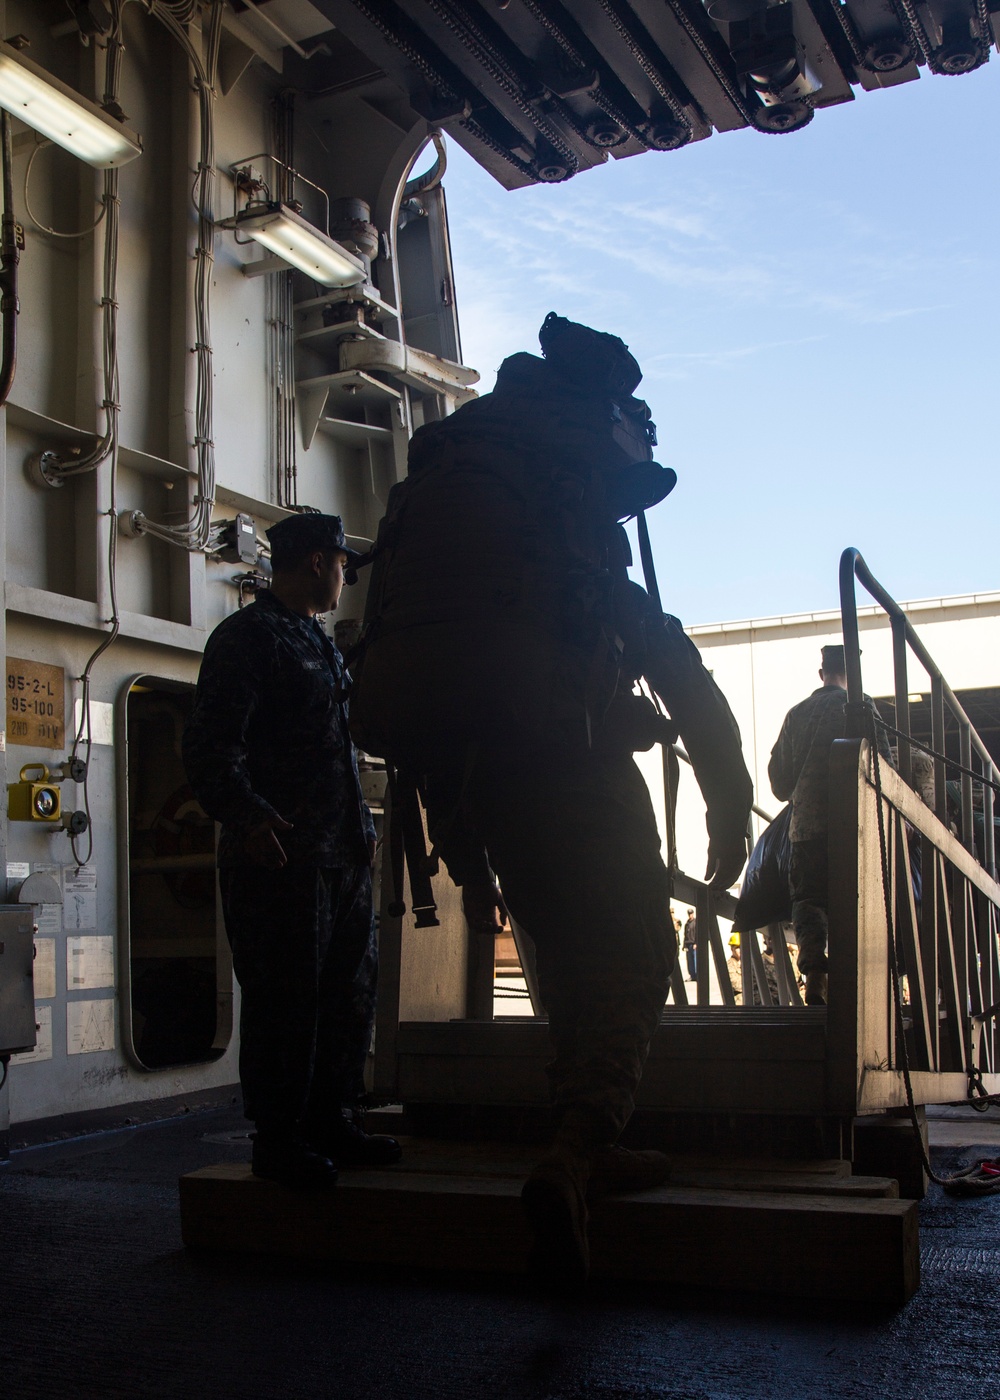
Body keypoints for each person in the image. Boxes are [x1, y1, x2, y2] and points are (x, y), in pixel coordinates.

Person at [351, 314, 753, 1280]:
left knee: (567, 954)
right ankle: (575, 1155)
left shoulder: (466, 497)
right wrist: (729, 802)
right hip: (568, 766)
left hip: (470, 781)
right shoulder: (562, 523)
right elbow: (672, 665)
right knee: (637, 948)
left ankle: (590, 1137)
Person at [182, 513, 402, 1188]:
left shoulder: (317, 641)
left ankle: (331, 1117)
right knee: (286, 1001)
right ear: (315, 562)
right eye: (342, 565)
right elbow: (210, 749)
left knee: (347, 993)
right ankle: (279, 1138)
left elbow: (337, 751)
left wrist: (362, 831)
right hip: (280, 858)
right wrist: (249, 818)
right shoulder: (248, 639)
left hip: (338, 855)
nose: (345, 578)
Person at [767, 643, 891, 1006]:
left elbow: (779, 784)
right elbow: (885, 768)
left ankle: (815, 976)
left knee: (809, 898)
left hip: (806, 827)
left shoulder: (797, 713)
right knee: (857, 901)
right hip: (856, 826)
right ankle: (857, 993)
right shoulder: (863, 707)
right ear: (852, 675)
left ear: (822, 674)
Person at [683, 908, 698, 982]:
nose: (690, 915)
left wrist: (696, 943)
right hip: (688, 944)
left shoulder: (695, 922)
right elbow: (685, 935)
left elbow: (697, 934)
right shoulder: (687, 924)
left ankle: (696, 975)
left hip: (694, 944)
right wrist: (684, 946)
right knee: (690, 961)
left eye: (691, 914)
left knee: (695, 960)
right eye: (689, 914)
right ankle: (692, 975)